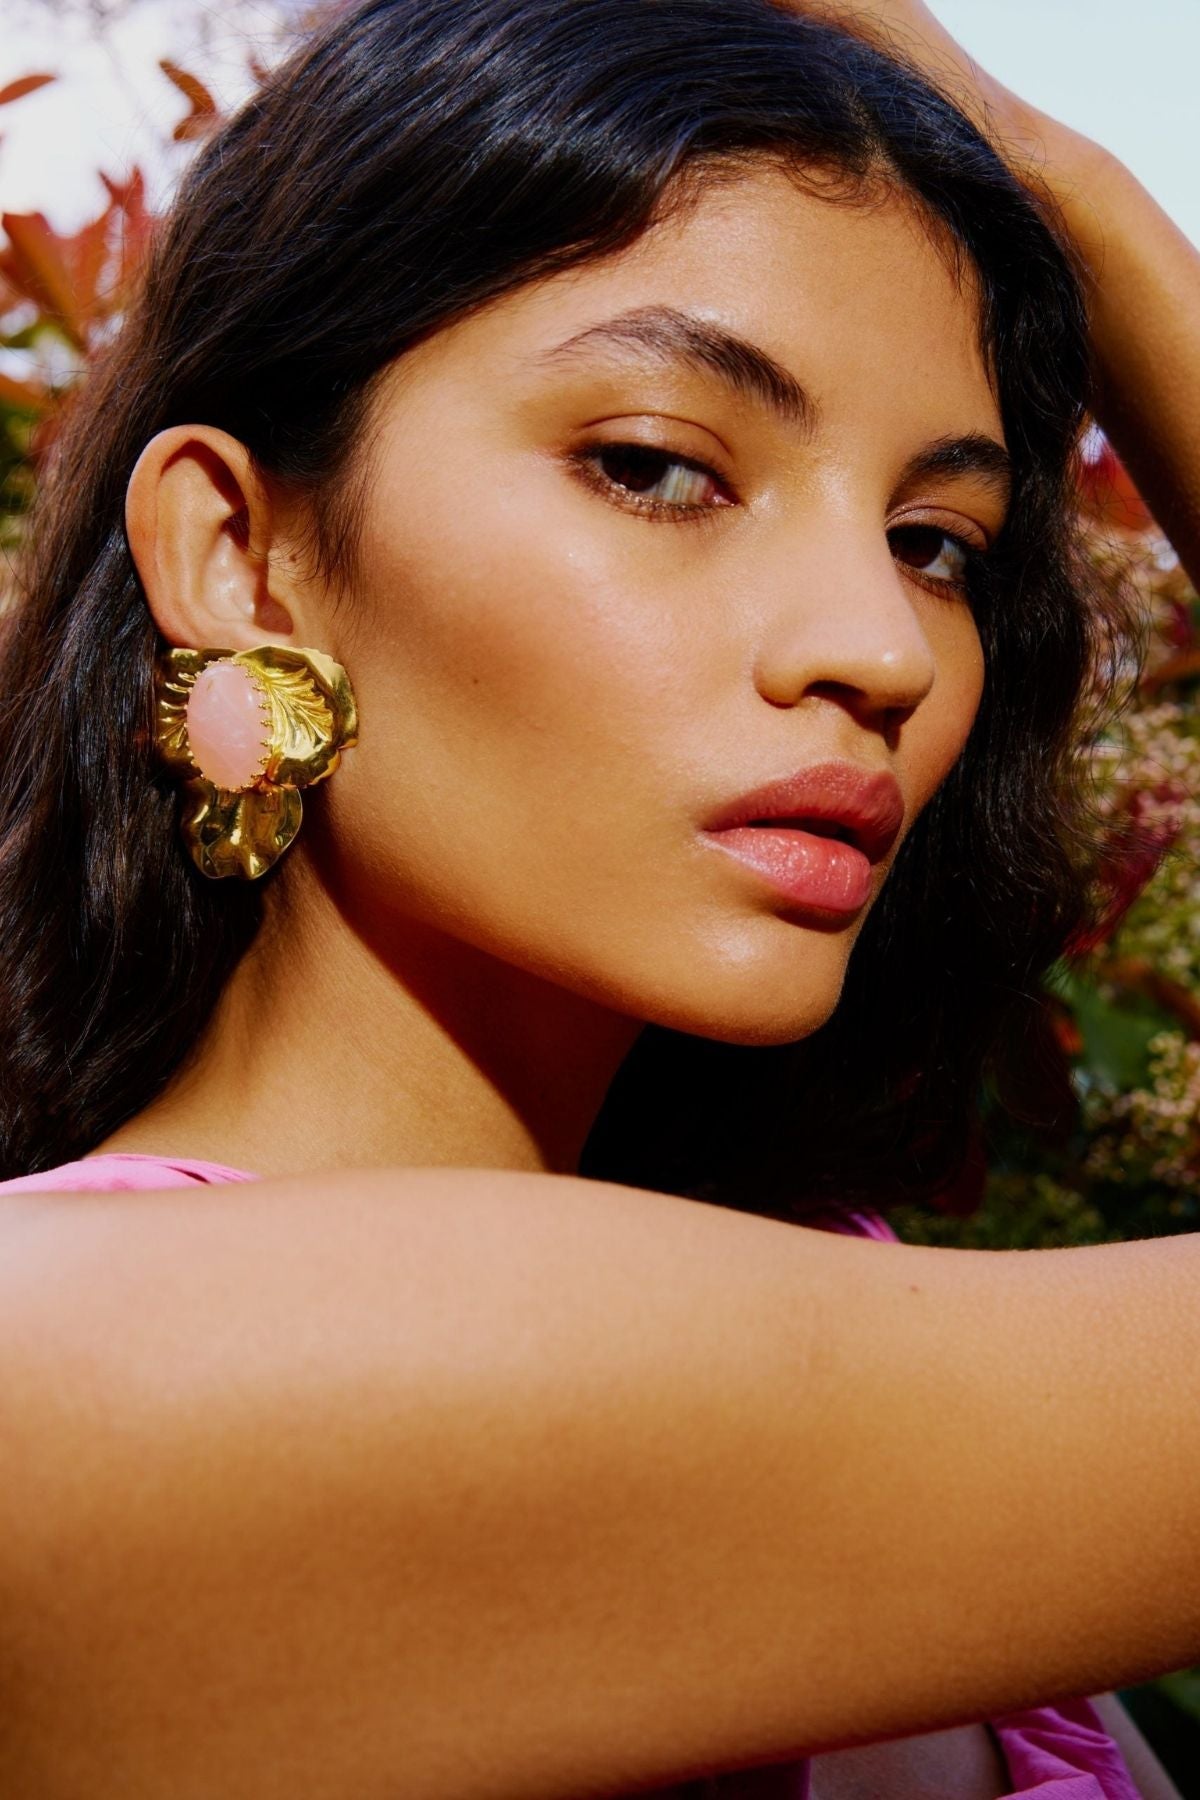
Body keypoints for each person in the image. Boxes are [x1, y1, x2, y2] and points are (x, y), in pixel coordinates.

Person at [0, 0, 1197, 1793]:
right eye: (656, 466)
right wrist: (1086, 206)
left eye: (933, 542)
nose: (877, 647)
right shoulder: (88, 1382)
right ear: (241, 559)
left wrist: (1046, 182)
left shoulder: (853, 1323)